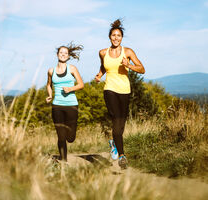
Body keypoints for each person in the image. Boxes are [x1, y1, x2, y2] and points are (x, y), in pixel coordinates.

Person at [95, 19, 145, 169]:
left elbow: (142, 69)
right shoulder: (103, 52)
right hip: (109, 89)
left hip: (124, 90)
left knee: (120, 125)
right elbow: (103, 66)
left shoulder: (128, 52)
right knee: (116, 118)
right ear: (109, 37)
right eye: (113, 35)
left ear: (121, 37)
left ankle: (113, 142)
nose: (116, 38)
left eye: (118, 35)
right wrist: (99, 75)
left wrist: (128, 65)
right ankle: (122, 156)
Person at [46, 42, 84, 162]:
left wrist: (70, 89)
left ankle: (71, 135)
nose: (63, 54)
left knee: (70, 138)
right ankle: (63, 161)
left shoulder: (72, 69)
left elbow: (81, 84)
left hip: (71, 105)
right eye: (61, 52)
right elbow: (48, 85)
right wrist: (50, 95)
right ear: (57, 55)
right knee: (61, 136)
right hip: (57, 105)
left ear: (68, 56)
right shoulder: (51, 71)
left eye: (65, 53)